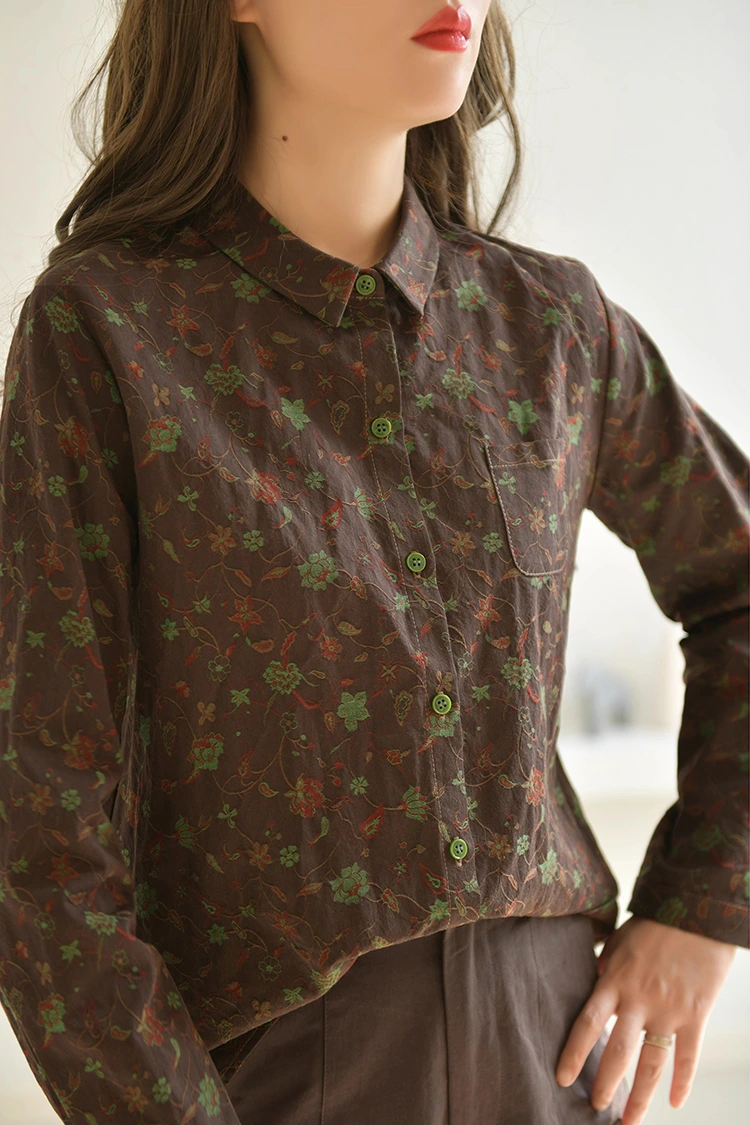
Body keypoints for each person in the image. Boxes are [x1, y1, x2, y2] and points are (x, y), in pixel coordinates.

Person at [0, 2, 747, 1123]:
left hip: (556, 1053)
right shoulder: (107, 331)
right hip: (270, 1075)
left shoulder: (548, 325)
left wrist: (704, 904)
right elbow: (36, 820)